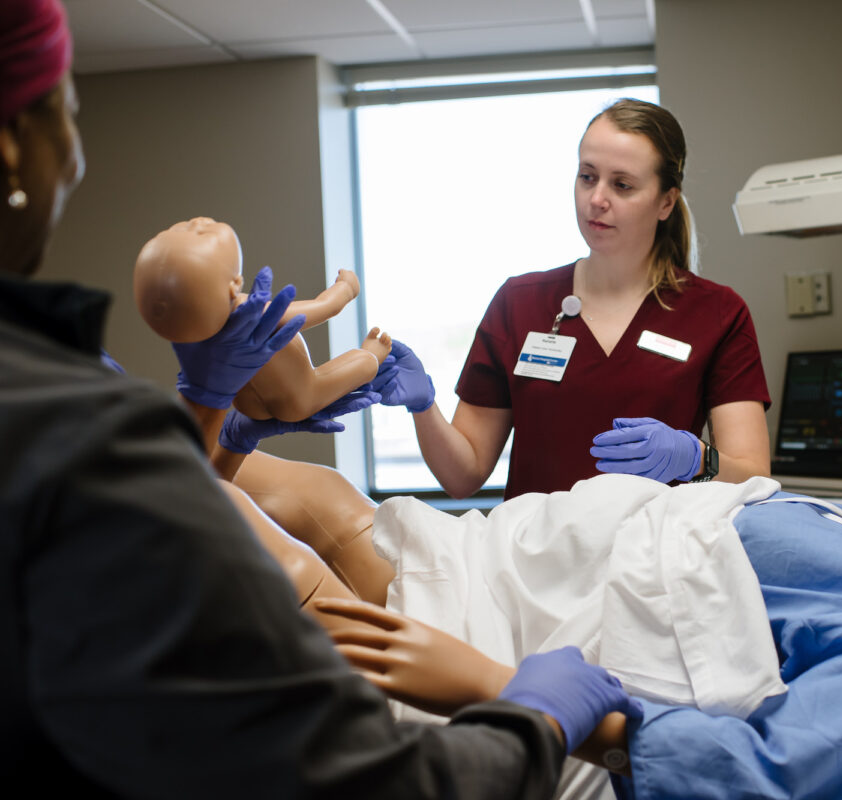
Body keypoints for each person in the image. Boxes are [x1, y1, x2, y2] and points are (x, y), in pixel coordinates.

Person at [0, 0, 639, 795]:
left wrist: (228, 428)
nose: (77, 154)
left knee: (344, 504)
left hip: (438, 560)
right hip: (388, 625)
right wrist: (537, 718)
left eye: (622, 181)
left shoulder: (57, 390)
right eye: (69, 108)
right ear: (13, 145)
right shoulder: (60, 425)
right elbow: (369, 777)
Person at [232, 335, 842, 799]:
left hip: (494, 634)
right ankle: (207, 412)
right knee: (291, 488)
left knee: (210, 517)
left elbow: (770, 774)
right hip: (487, 555)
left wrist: (502, 687)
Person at [381, 98, 772, 499]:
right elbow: (463, 476)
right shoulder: (519, 304)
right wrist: (424, 408)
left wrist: (696, 459)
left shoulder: (717, 313)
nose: (597, 198)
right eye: (587, 177)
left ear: (666, 202)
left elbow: (755, 478)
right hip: (534, 555)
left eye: (622, 185)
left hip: (658, 555)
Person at [134, 216, 393, 423]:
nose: (196, 223)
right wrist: (346, 289)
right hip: (300, 396)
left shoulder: (195, 337)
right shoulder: (250, 312)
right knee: (366, 363)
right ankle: (372, 356)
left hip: (247, 405)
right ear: (234, 284)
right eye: (202, 233)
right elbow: (322, 308)